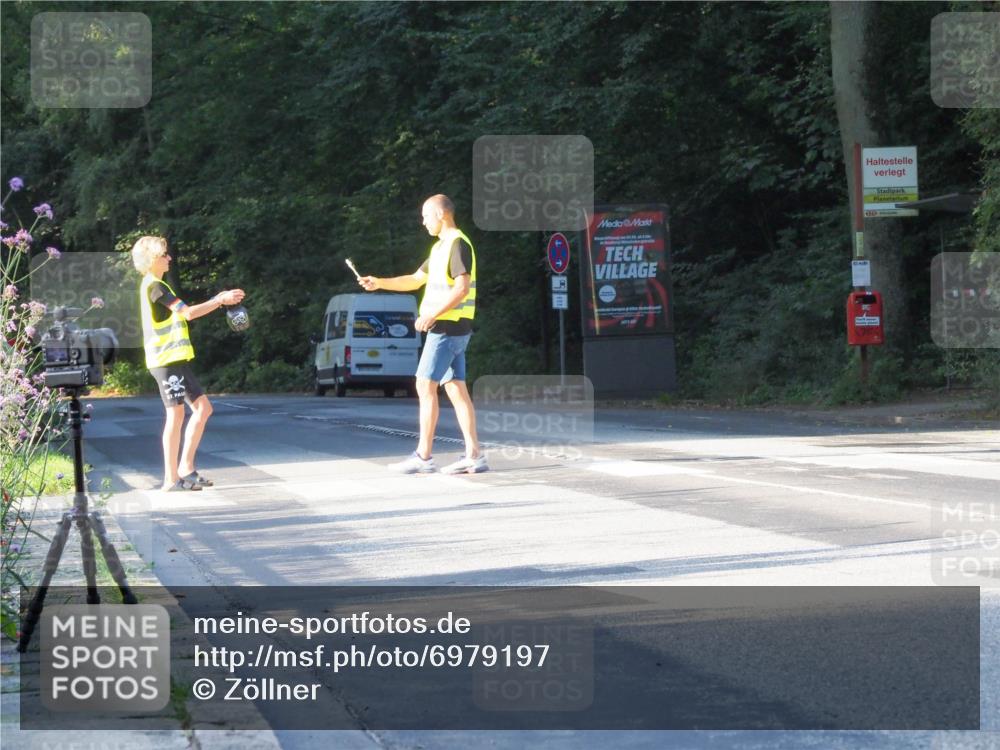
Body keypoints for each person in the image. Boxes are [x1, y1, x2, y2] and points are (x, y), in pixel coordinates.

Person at [359, 194, 488, 474]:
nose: (423, 222)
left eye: (426, 216)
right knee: (455, 389)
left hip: (446, 327)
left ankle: (424, 456)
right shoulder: (440, 248)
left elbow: (462, 288)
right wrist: (379, 282)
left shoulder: (457, 244)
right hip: (453, 327)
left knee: (424, 385)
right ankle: (474, 455)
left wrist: (432, 315)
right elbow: (415, 279)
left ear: (441, 215)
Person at [131, 236, 245, 491]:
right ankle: (171, 479)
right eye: (164, 255)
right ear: (152, 259)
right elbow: (189, 313)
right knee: (176, 415)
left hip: (175, 360)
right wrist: (220, 300)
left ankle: (186, 469)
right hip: (165, 361)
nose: (169, 258)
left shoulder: (158, 285)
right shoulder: (155, 287)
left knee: (203, 409)